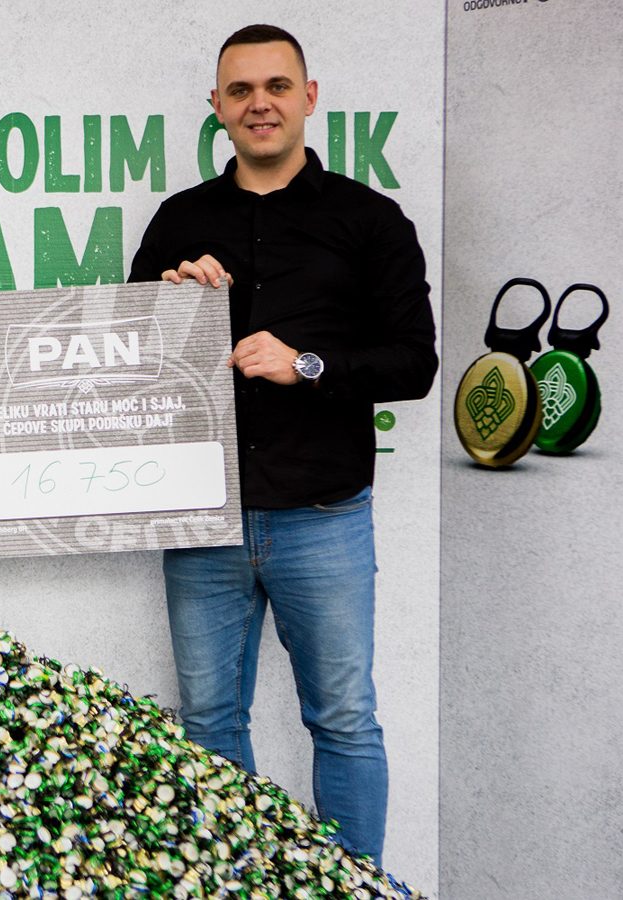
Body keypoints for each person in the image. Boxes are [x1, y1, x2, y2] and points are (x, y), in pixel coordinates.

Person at [128, 25, 437, 866]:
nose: (258, 103)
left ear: (309, 97)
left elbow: (415, 363)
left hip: (324, 515)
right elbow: (129, 360)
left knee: (343, 719)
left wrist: (307, 364)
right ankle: (245, 883)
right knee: (208, 724)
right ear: (216, 107)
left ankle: (355, 883)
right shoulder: (180, 221)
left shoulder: (369, 221)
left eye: (275, 86)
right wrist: (165, 301)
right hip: (204, 517)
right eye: (240, 90)